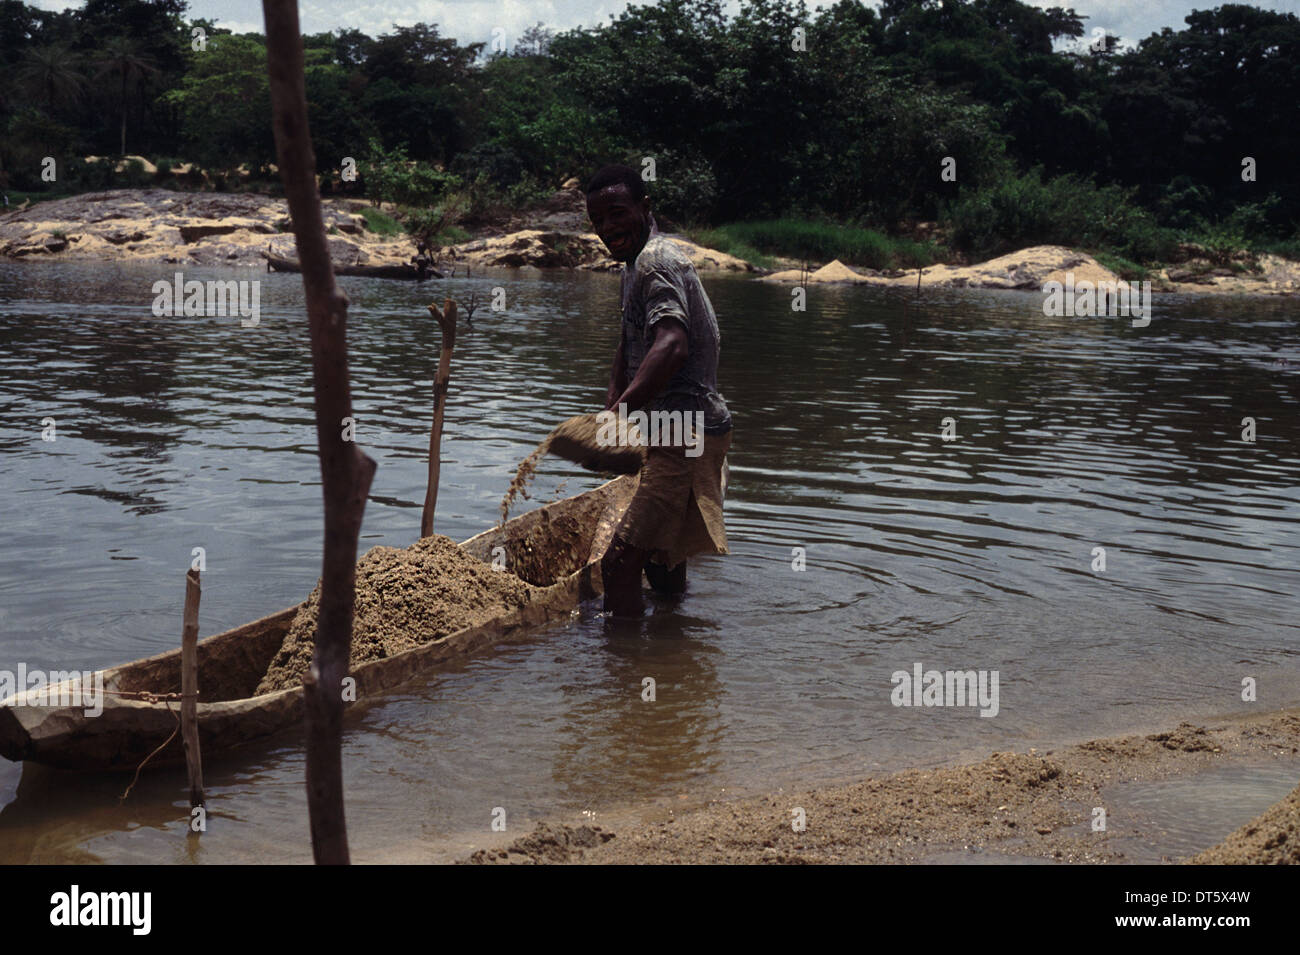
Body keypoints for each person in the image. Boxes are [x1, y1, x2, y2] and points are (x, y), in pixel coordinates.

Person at [585, 163, 733, 617]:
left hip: (683, 430)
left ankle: (625, 677)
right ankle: (674, 658)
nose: (608, 228)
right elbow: (631, 339)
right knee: (664, 558)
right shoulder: (634, 264)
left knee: (618, 564)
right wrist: (614, 398)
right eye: (598, 221)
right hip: (675, 426)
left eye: (616, 213)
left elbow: (671, 345)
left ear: (645, 208)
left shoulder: (655, 261)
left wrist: (619, 414)